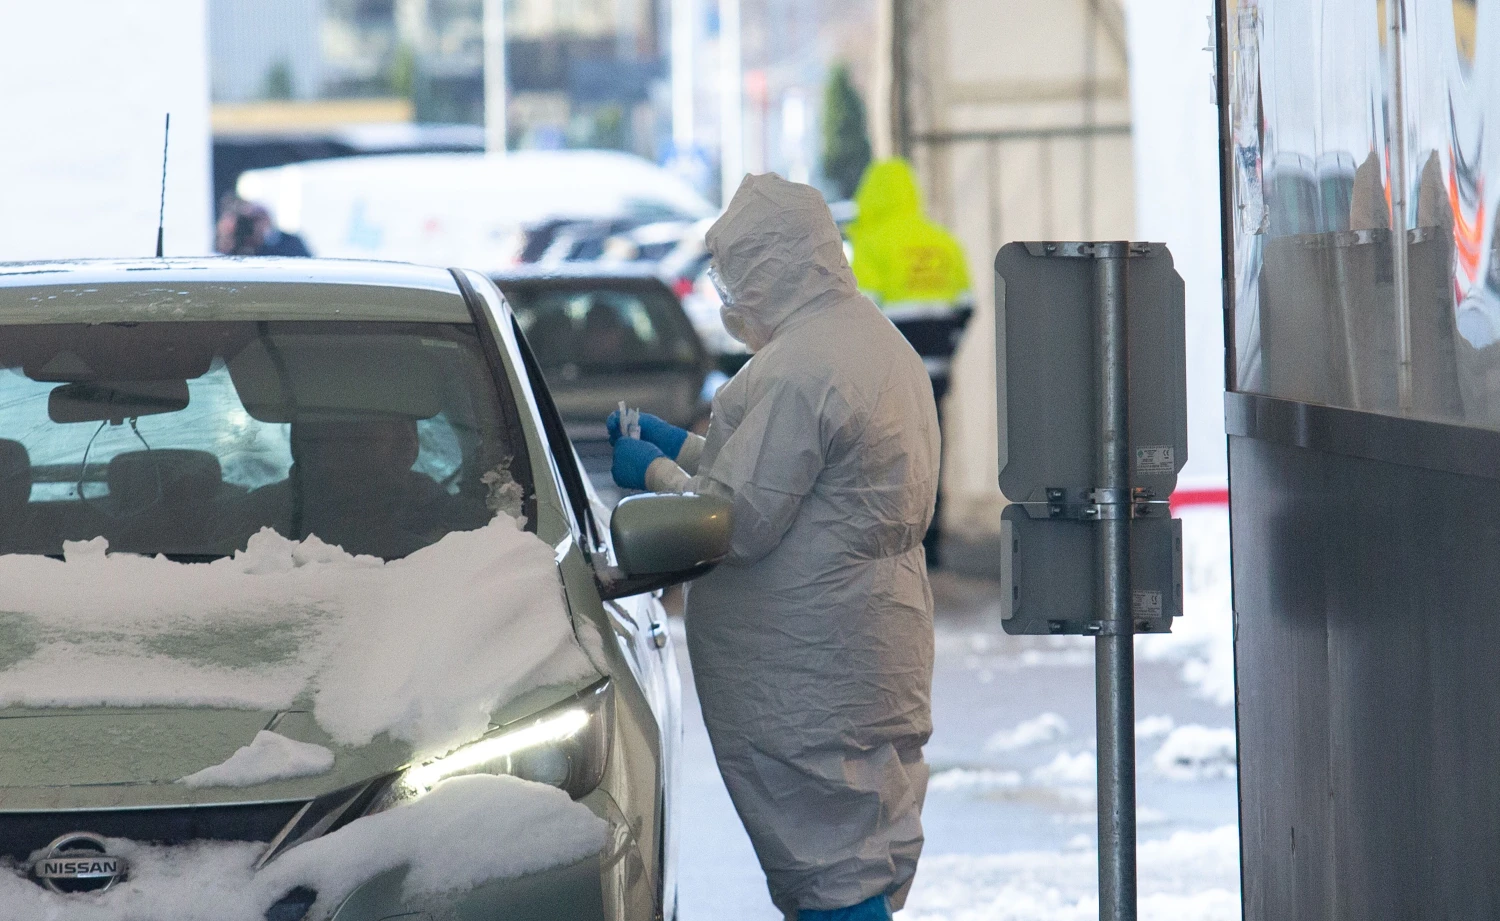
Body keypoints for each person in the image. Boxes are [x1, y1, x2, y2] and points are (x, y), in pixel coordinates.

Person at [608, 173, 940, 921]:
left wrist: (653, 472)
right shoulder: (868, 339)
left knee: (833, 869)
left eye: (734, 277)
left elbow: (738, 517)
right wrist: (686, 449)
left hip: (809, 658)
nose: (730, 298)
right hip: (867, 634)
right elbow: (800, 480)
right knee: (862, 846)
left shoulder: (801, 368)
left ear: (772, 266)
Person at [845, 158, 971, 567]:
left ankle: (899, 541)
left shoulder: (871, 244)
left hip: (889, 376)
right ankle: (932, 541)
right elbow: (967, 305)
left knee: (890, 456)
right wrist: (945, 351)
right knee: (932, 450)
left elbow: (862, 312)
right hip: (936, 371)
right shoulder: (942, 241)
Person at [215, 195, 312, 257]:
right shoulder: (233, 243)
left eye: (256, 219)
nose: (249, 227)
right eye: (245, 222)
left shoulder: (289, 243)